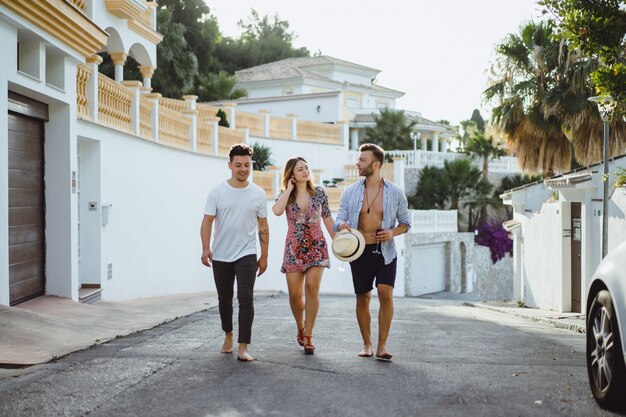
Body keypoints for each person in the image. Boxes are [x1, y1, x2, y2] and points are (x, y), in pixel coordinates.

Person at [334, 143, 411, 361]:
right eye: (358, 160)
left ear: (376, 165)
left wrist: (392, 232)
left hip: (385, 251)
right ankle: (366, 344)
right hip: (359, 251)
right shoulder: (351, 192)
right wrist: (341, 226)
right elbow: (339, 219)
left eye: (362, 160)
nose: (357, 163)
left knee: (385, 293)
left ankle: (382, 345)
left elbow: (406, 223)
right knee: (363, 297)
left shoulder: (396, 193)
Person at [200, 143, 269, 362]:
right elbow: (207, 221)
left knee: (246, 298)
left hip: (247, 253)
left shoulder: (258, 194)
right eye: (238, 165)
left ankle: (243, 346)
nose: (243, 169)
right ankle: (228, 334)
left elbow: (264, 226)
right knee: (224, 299)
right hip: (221, 254)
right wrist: (205, 248)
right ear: (230, 165)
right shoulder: (217, 192)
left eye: (247, 165)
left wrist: (264, 255)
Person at [272, 157, 336, 354]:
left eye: (306, 167)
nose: (305, 171)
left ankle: (308, 335)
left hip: (316, 245)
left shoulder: (319, 193)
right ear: (291, 174)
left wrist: (341, 242)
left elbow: (327, 219)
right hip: (294, 248)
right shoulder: (286, 195)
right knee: (295, 294)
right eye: (300, 169)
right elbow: (276, 211)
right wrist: (289, 189)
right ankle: (301, 325)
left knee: (312, 288)